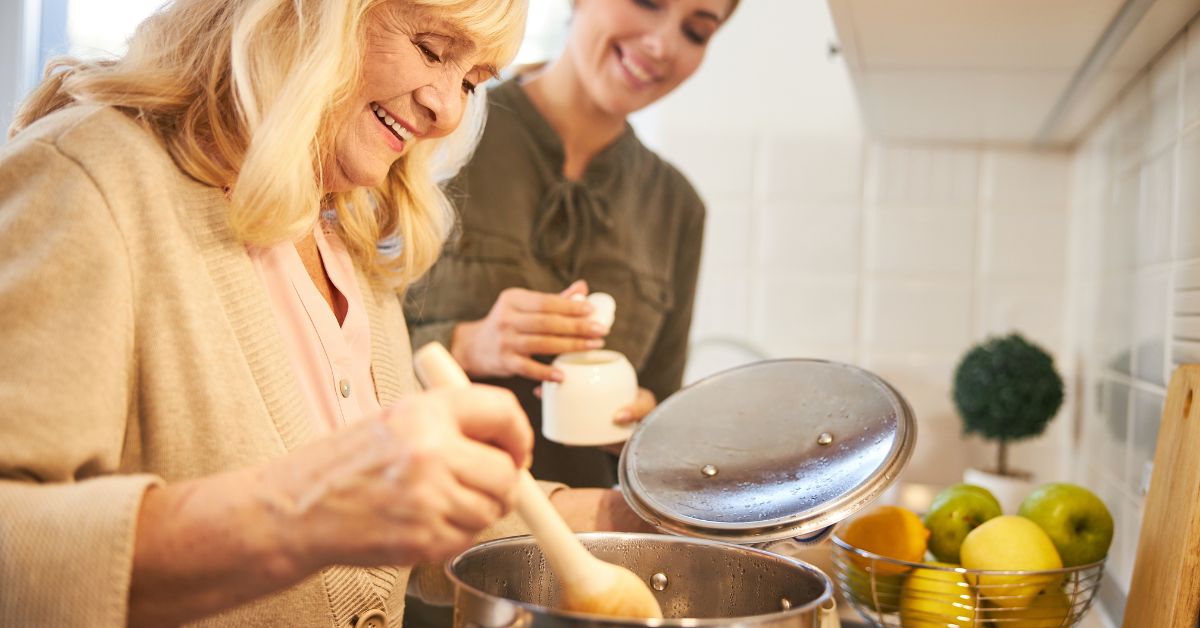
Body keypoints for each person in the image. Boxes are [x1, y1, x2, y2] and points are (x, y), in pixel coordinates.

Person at [0, 1, 642, 626]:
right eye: (430, 49)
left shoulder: (343, 228)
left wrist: (627, 520)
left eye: (472, 82)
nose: (446, 110)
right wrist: (299, 515)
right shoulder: (90, 177)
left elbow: (398, 527)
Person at [406, 0, 739, 489]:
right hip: (423, 512)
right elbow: (334, 351)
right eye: (648, 2)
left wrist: (642, 428)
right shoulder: (435, 126)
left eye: (695, 31)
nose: (662, 44)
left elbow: (659, 414)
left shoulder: (678, 208)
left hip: (583, 540)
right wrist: (465, 344)